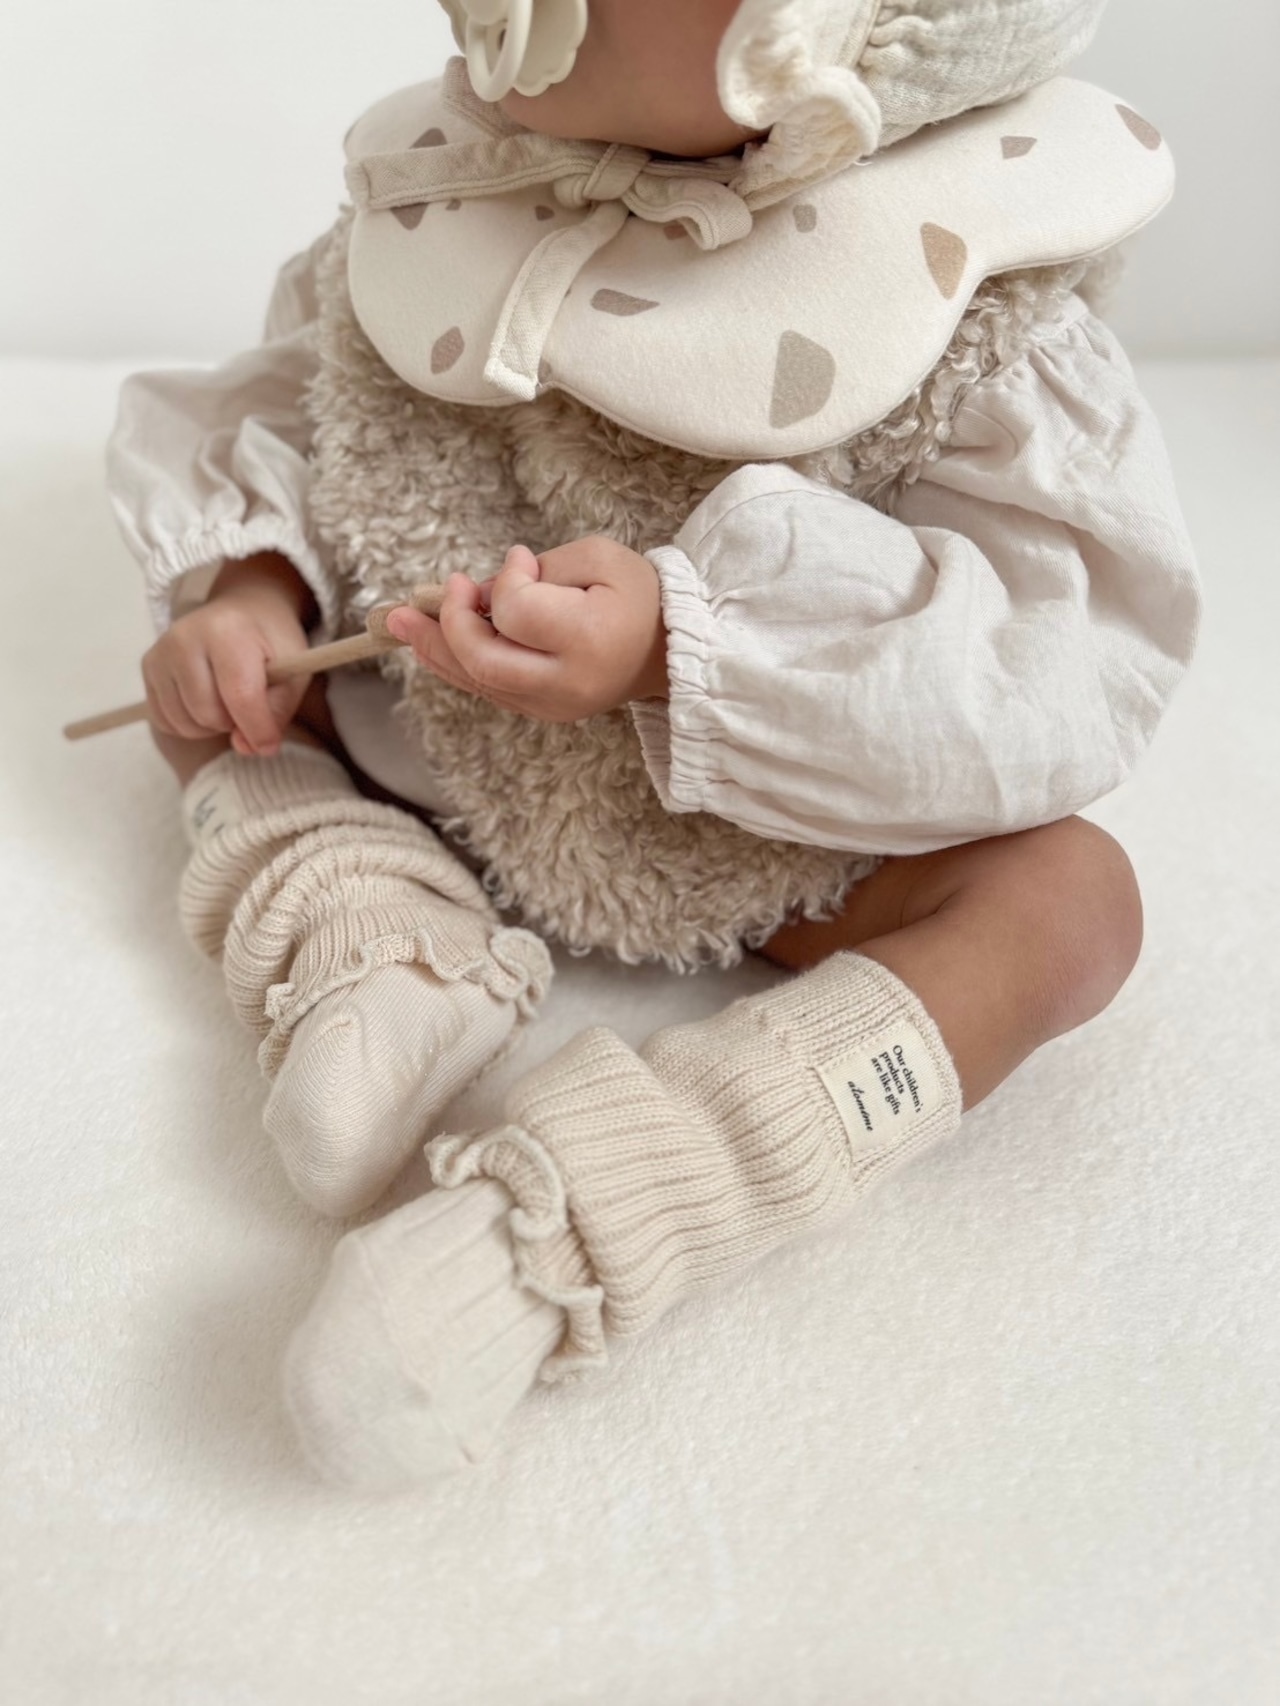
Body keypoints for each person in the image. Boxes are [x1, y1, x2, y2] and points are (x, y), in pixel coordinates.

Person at [106, 0, 1201, 1488]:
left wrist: (687, 648)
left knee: (1071, 905)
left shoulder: (960, 290)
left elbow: (1042, 667)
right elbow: (319, 410)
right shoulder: (454, 196)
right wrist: (250, 586)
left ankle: (631, 1195)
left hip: (775, 820)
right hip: (427, 733)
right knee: (206, 681)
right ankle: (361, 918)